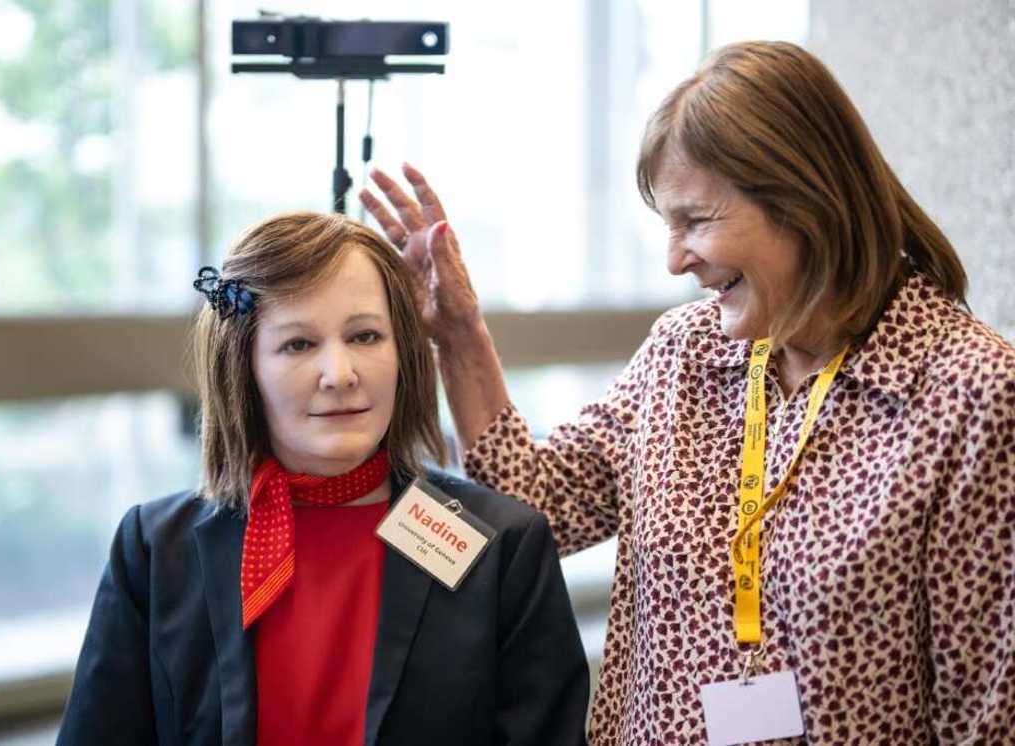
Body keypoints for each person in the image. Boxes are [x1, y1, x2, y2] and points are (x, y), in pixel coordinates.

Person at [360, 40, 1015, 744]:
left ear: (803, 199)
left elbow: (984, 716)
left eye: (695, 222)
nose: (675, 260)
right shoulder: (685, 351)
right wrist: (458, 333)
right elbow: (535, 509)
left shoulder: (971, 395)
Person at [56, 212, 589, 746]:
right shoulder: (156, 549)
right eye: (298, 345)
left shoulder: (502, 548)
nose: (340, 374)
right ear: (244, 368)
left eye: (365, 336)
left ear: (402, 351)